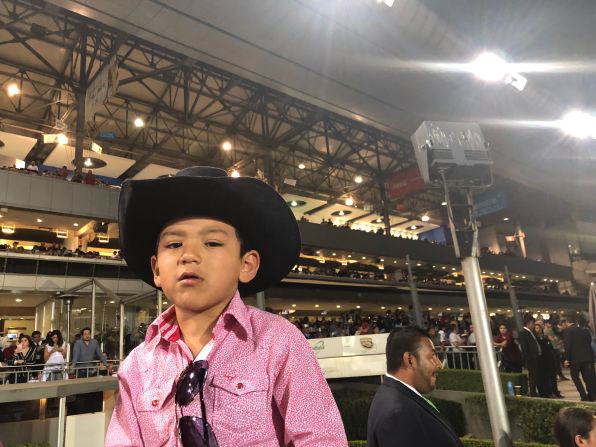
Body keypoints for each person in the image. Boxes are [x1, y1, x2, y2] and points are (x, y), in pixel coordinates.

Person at [106, 166, 347, 446]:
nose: (189, 255)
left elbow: (320, 438)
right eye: (173, 244)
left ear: (246, 265)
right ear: (156, 269)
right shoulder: (137, 366)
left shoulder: (278, 342)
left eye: (211, 242)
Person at [367, 326, 463, 447]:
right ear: (410, 360)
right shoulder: (398, 414)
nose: (439, 364)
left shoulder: (396, 398)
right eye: (432, 356)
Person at [563, 313, 596, 402]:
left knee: (575, 377)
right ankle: (592, 396)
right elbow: (589, 342)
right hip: (587, 358)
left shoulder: (567, 331)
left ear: (567, 321)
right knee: (588, 378)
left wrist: (567, 359)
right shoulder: (585, 330)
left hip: (575, 359)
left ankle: (583, 395)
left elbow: (567, 346)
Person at [519, 315, 542, 397]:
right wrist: (528, 359)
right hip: (531, 359)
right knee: (532, 377)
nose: (534, 325)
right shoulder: (523, 333)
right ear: (528, 323)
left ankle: (535, 391)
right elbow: (524, 348)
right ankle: (532, 393)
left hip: (536, 357)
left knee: (536, 376)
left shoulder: (531, 332)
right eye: (533, 323)